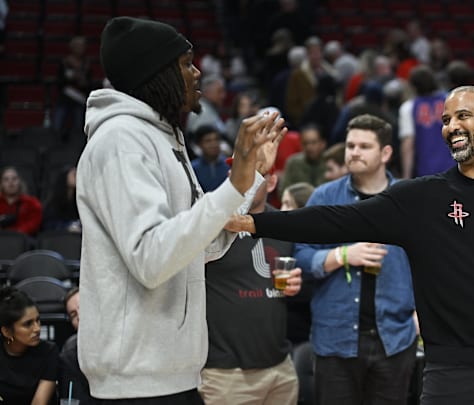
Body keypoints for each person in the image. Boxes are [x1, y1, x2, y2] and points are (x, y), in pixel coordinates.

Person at [227, 86, 474, 405]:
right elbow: (333, 219)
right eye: (446, 120)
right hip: (452, 374)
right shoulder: (422, 197)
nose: (451, 127)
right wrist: (254, 220)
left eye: (463, 116)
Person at [76, 16, 286, 402]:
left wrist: (252, 178)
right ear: (156, 73)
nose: (197, 72)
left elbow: (201, 248)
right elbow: (152, 259)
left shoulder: (163, 138)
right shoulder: (121, 140)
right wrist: (234, 184)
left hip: (174, 374)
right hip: (135, 383)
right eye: (186, 63)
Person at [294, 114, 418, 405]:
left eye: (364, 146)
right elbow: (300, 256)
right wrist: (343, 255)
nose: (354, 152)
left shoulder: (409, 200)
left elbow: (431, 263)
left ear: (386, 153)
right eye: (350, 146)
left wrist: (420, 314)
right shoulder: (325, 198)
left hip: (395, 338)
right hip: (336, 338)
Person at [200, 165, 304, 404]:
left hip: (279, 366)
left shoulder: (284, 223)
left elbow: (303, 275)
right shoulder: (215, 222)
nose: (243, 180)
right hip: (225, 373)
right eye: (237, 174)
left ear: (272, 182)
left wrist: (298, 284)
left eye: (255, 175)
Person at [0, 286, 58, 405]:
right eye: (28, 324)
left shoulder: (48, 352)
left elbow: (39, 403)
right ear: (6, 331)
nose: (37, 328)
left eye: (38, 320)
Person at [399, 65, 453, 179]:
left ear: (413, 86)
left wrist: (406, 177)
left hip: (426, 172)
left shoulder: (408, 107)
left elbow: (408, 144)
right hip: (455, 167)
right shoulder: (452, 100)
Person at [58, 287, 97, 404]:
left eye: (84, 307)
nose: (80, 316)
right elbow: (72, 399)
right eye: (73, 314)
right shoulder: (70, 353)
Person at [278, 123, 327, 196]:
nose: (309, 147)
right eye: (305, 143)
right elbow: (283, 191)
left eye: (313, 142)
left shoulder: (330, 163)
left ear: (323, 144)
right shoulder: (293, 163)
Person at [0, 166, 43, 236]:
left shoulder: (32, 203)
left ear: (20, 181)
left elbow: (34, 224)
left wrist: (14, 233)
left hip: (23, 242)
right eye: (6, 179)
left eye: (14, 179)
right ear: (1, 183)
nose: (10, 182)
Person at [42, 165, 81, 232]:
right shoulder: (53, 204)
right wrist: (67, 227)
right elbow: (48, 225)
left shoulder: (79, 201)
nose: (77, 177)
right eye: (74, 175)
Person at [190, 125, 230, 192]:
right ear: (199, 144)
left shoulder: (230, 165)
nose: (214, 144)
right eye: (208, 141)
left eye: (216, 139)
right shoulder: (193, 168)